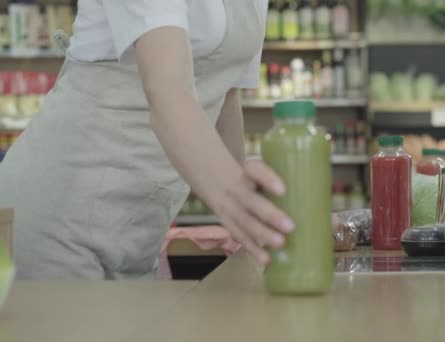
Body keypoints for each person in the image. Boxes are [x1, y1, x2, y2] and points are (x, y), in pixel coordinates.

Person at [0, 0, 293, 280]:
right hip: (61, 215)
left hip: (139, 233)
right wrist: (239, 202)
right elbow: (166, 91)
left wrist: (258, 213)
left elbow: (225, 93)